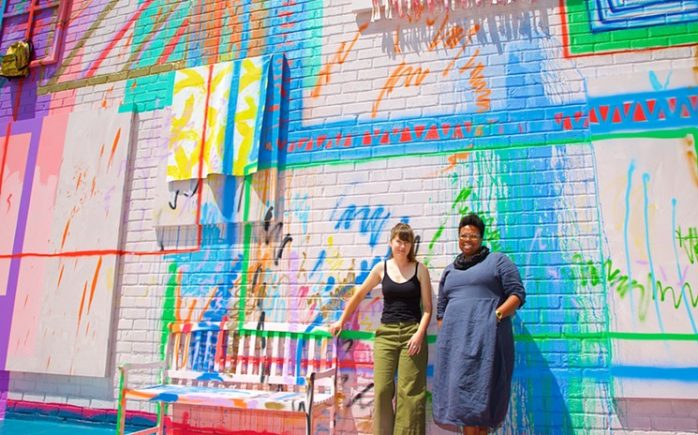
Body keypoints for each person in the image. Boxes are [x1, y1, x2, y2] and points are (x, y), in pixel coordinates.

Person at [329, 222, 433, 435]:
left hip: (412, 334)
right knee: (382, 390)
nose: (402, 246)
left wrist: (419, 334)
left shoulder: (420, 269)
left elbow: (428, 309)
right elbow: (359, 294)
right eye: (399, 241)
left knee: (409, 393)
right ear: (391, 242)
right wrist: (341, 321)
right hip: (386, 334)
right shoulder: (381, 268)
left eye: (407, 242)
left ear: (411, 245)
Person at [432, 213, 525, 435]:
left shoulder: (498, 261)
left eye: (473, 236)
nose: (468, 240)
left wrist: (495, 317)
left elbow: (517, 294)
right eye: (463, 235)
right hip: (456, 349)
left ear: (481, 238)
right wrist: (448, 339)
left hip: (488, 343)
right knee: (462, 403)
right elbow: (442, 309)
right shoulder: (450, 270)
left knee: (484, 398)